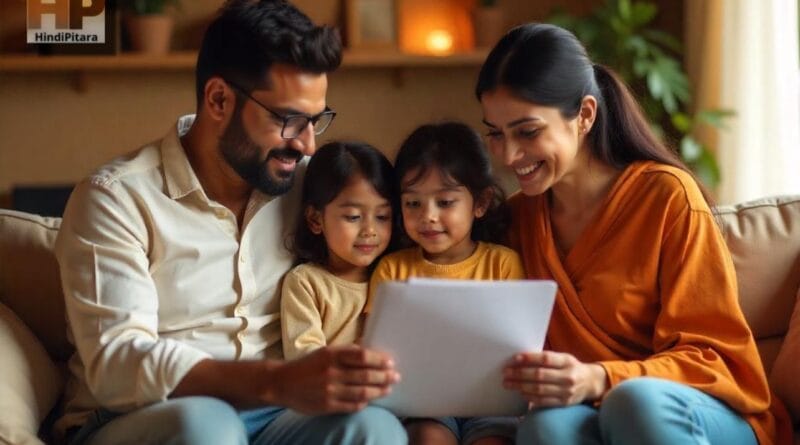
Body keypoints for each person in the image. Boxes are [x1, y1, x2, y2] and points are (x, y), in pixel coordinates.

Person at [54, 1, 405, 444]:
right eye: (289, 120)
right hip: (142, 418)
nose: (309, 145)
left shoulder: (308, 191)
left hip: (276, 417)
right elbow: (118, 364)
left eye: (316, 121)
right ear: (218, 99)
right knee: (206, 429)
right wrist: (276, 381)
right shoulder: (116, 198)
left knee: (373, 428)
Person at [475, 23, 792, 445]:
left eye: (528, 132)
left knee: (634, 401)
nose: (509, 155)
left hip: (703, 411)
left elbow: (715, 359)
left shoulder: (666, 197)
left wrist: (601, 377)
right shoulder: (515, 221)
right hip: (593, 412)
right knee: (545, 426)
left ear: (585, 115)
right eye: (496, 134)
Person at [368, 122, 525, 445]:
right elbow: (378, 347)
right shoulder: (393, 269)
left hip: (491, 397)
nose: (428, 216)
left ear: (479, 203)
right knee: (427, 437)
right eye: (413, 203)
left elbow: (517, 342)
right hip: (422, 400)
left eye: (445, 202)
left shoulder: (503, 263)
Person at [281, 141, 397, 360]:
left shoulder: (394, 274)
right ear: (316, 219)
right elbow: (304, 358)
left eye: (382, 217)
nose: (370, 230)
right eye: (353, 217)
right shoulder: (306, 282)